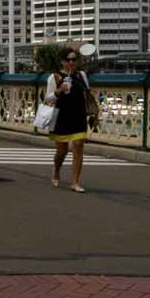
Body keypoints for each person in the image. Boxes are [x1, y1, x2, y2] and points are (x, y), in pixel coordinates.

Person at [45, 49, 96, 192]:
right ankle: (56, 170)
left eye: (74, 59)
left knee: (78, 145)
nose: (72, 62)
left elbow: (87, 91)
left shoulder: (81, 75)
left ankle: (75, 182)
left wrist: (90, 94)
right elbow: (48, 98)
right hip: (61, 116)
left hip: (78, 115)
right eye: (68, 60)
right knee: (61, 151)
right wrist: (59, 90)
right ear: (62, 61)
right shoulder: (54, 77)